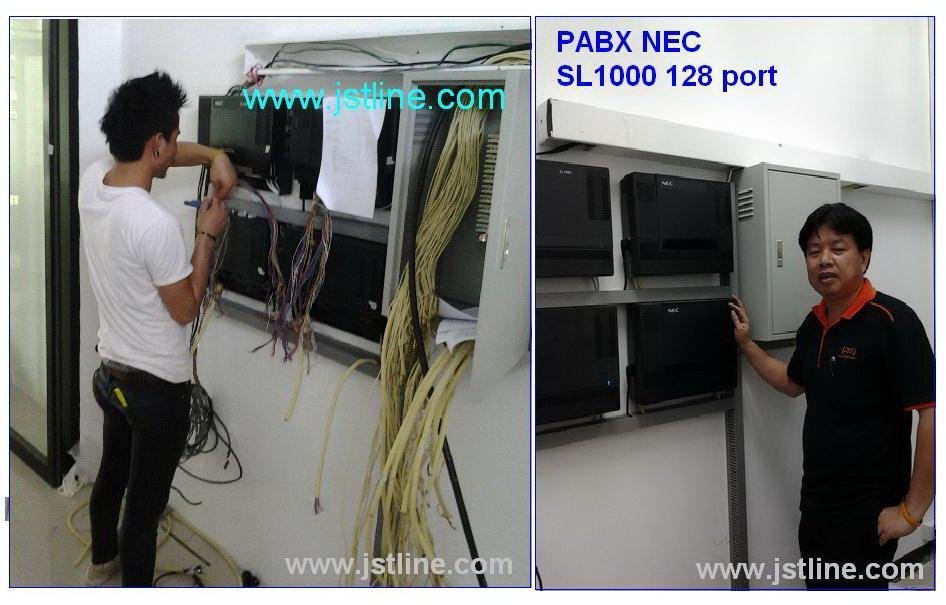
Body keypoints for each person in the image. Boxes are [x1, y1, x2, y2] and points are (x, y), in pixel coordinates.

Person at [78, 71, 237, 587]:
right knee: (144, 514)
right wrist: (206, 235)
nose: (176, 144)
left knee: (111, 477)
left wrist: (214, 156)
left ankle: (102, 566)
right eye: (174, 136)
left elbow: (165, 152)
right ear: (156, 143)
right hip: (157, 392)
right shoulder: (152, 224)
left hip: (113, 376)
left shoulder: (93, 181)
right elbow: (185, 308)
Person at [729, 203, 933, 589]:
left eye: (838, 249)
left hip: (870, 509)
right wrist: (747, 345)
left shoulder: (893, 321)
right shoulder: (814, 323)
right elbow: (792, 382)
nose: (824, 260)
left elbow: (932, 413)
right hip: (817, 503)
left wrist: (912, 511)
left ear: (864, 257)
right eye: (814, 251)